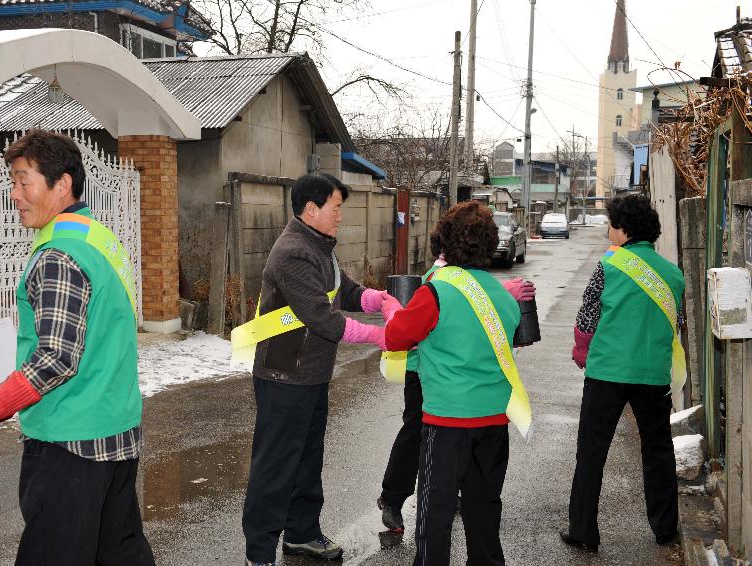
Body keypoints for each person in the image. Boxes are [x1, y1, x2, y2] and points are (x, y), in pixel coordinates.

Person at [0, 130, 154, 565]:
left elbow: (56, 359)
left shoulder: (59, 254)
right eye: (12, 182)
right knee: (119, 552)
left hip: (70, 443)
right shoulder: (96, 238)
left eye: (24, 181)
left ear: (62, 184)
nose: (14, 194)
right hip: (115, 429)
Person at [242, 173, 393, 566]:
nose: (341, 215)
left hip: (310, 373)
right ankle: (259, 554)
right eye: (336, 207)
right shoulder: (293, 252)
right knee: (275, 466)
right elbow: (324, 319)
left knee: (307, 458)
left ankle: (302, 534)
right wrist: (380, 337)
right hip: (284, 375)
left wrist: (373, 298)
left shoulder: (320, 245)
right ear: (311, 209)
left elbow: (340, 289)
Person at [383, 201, 526, 566]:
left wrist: (393, 311)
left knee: (436, 513)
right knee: (484, 509)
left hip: (446, 423)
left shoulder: (436, 291)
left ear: (444, 244)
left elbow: (397, 336)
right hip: (494, 421)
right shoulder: (501, 297)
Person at [560, 194, 684, 553]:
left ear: (625, 230)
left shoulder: (610, 265)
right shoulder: (673, 274)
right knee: (658, 449)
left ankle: (583, 531)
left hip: (608, 372)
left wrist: (581, 350)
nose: (608, 233)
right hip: (653, 374)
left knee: (592, 451)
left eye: (612, 226)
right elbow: (674, 323)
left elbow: (587, 316)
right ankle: (665, 528)